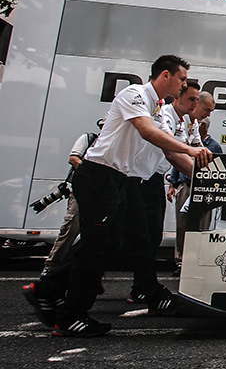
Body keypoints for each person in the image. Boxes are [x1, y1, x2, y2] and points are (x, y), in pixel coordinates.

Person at [23, 55, 212, 337]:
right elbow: (148, 133)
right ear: (165, 76)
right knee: (95, 248)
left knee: (112, 244)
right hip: (97, 175)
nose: (184, 85)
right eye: (182, 79)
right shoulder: (133, 94)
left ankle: (47, 289)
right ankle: (71, 314)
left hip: (117, 181)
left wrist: (206, 176)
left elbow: (167, 149)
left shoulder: (156, 107)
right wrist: (190, 150)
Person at [125, 79, 199, 305]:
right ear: (176, 98)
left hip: (151, 179)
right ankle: (52, 283)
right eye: (191, 99)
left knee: (152, 236)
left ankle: (142, 287)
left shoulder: (184, 121)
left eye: (197, 100)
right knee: (124, 239)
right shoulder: (164, 114)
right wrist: (204, 177)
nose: (195, 105)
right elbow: (171, 152)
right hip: (136, 179)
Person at [40, 120, 102, 275]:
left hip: (103, 194)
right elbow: (74, 159)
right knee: (70, 230)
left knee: (98, 234)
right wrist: (95, 176)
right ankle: (51, 267)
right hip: (83, 191)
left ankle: (89, 273)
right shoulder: (89, 139)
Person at [171, 91, 218, 273]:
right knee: (182, 223)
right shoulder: (175, 120)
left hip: (203, 187)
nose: (207, 115)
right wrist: (173, 183)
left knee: (201, 227)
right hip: (187, 185)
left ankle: (196, 260)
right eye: (206, 110)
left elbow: (193, 152)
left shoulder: (211, 144)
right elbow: (175, 157)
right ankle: (181, 261)